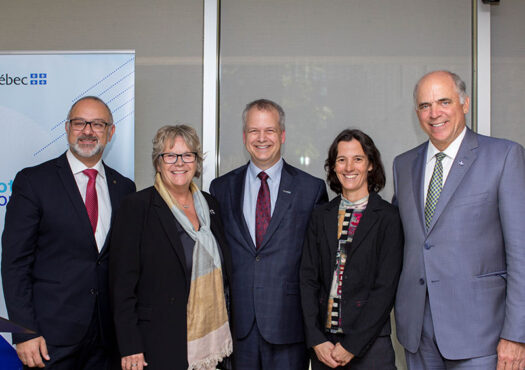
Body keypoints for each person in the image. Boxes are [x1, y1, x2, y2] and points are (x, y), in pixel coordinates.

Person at [393, 70, 525, 369]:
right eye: (425, 105)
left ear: (464, 104)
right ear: (417, 112)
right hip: (418, 335)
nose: (434, 113)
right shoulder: (404, 164)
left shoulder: (503, 156)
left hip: (482, 336)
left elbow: (521, 252)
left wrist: (517, 335)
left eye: (444, 101)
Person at [1, 96, 136, 369]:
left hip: (106, 340)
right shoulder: (34, 182)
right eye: (79, 123)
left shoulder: (124, 188)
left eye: (97, 124)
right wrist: (24, 331)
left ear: (111, 132)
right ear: (66, 128)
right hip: (49, 339)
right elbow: (15, 263)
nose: (87, 131)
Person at [210, 99, 328, 370]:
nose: (261, 138)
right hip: (238, 328)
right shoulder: (221, 188)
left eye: (270, 130)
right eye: (254, 131)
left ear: (282, 135)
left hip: (289, 327)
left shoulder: (310, 189)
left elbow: (318, 266)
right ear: (244, 137)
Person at [109, 125, 233, 370]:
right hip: (157, 342)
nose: (179, 163)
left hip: (211, 341)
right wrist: (130, 345)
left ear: (196, 163)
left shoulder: (210, 205)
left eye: (188, 155)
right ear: (158, 162)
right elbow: (121, 285)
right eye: (170, 155)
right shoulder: (137, 206)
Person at [300, 129, 403, 369]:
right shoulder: (320, 216)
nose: (349, 167)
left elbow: (385, 288)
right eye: (341, 159)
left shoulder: (388, 218)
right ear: (333, 167)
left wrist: (352, 345)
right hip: (325, 347)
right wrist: (315, 339)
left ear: (370, 165)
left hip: (371, 346)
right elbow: (307, 280)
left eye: (357, 159)